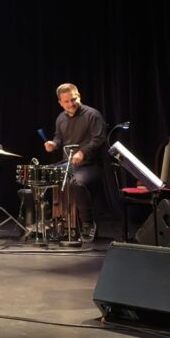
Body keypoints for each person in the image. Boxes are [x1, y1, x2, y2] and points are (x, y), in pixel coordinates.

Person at [43, 83, 108, 243]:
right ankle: (49, 219)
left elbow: (98, 139)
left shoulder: (93, 115)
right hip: (69, 163)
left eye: (74, 99)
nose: (71, 104)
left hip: (91, 164)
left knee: (77, 183)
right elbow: (58, 137)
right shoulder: (61, 118)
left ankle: (88, 223)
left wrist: (82, 151)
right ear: (60, 102)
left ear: (79, 95)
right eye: (67, 101)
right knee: (40, 174)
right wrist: (54, 144)